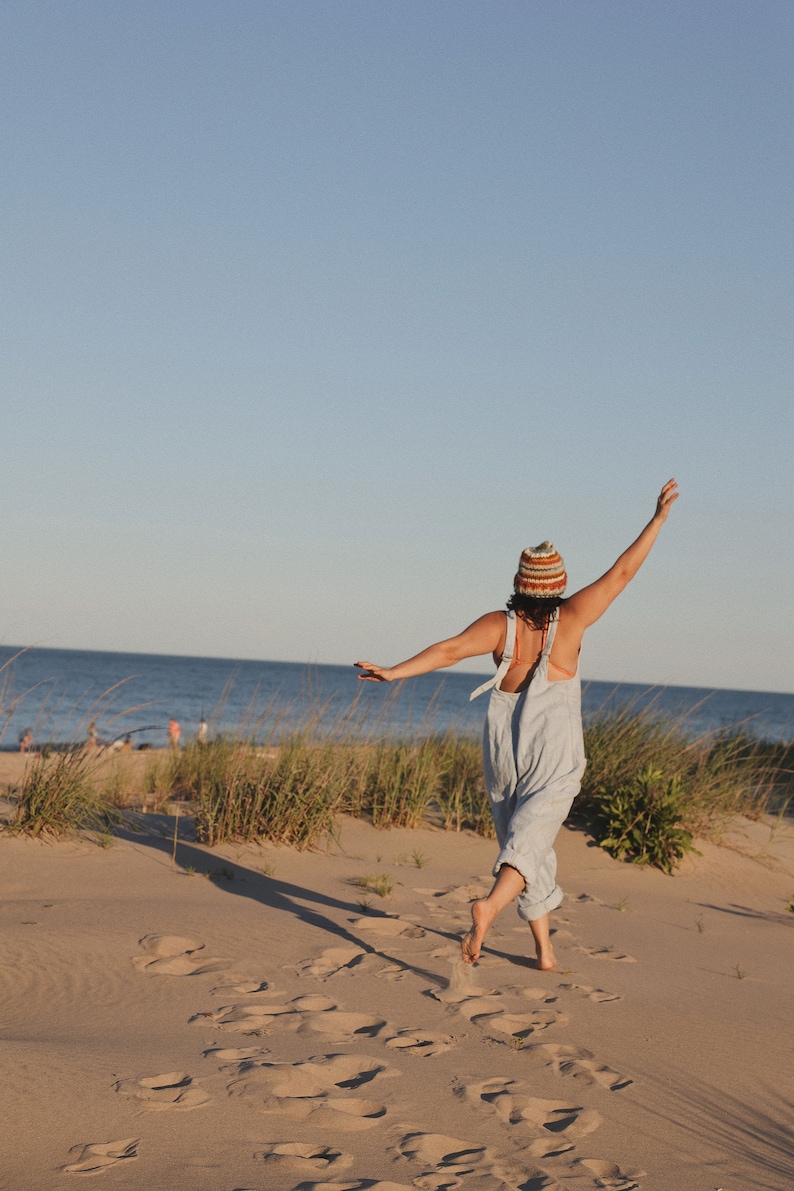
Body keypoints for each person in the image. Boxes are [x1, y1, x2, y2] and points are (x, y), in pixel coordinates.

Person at [355, 480, 679, 971]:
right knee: (529, 843)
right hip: (552, 751)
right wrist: (656, 521)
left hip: (503, 750)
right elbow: (621, 575)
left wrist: (395, 671)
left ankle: (545, 951)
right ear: (558, 586)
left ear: (520, 584)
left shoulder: (498, 626)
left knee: (528, 845)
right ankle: (488, 907)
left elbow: (446, 651)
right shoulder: (569, 621)